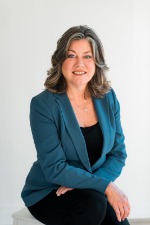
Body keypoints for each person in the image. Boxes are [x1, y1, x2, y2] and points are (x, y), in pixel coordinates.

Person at [21, 25, 130, 225]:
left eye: (87, 56)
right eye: (72, 55)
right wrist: (105, 187)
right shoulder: (42, 105)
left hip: (91, 190)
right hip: (49, 190)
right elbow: (55, 168)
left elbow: (118, 153)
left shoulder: (108, 98)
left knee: (117, 219)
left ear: (96, 62)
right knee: (94, 205)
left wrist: (91, 184)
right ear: (60, 60)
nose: (80, 63)